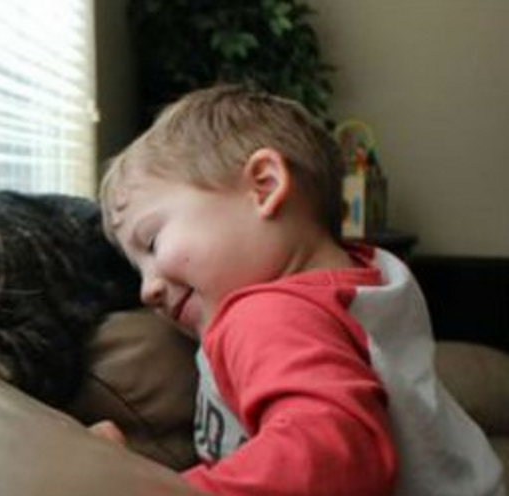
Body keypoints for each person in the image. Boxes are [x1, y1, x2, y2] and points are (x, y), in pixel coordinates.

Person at [92, 84, 506, 496]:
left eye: (152, 243)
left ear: (264, 185)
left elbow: (334, 462)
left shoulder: (268, 315)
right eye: (138, 269)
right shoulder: (373, 275)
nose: (147, 290)